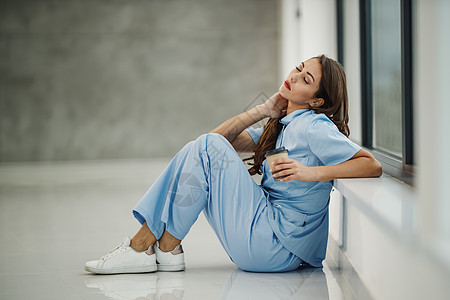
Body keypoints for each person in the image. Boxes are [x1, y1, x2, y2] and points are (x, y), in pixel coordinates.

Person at [84, 55, 382, 274]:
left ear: (317, 101)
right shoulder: (284, 123)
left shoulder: (314, 126)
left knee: (204, 147)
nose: (294, 76)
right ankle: (164, 248)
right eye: (299, 68)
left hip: (277, 246)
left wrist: (311, 172)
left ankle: (146, 246)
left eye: (306, 79)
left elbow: (370, 165)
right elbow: (215, 140)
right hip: (270, 235)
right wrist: (263, 110)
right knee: (199, 146)